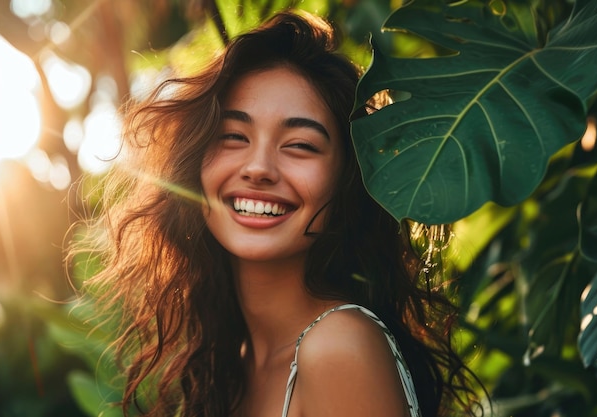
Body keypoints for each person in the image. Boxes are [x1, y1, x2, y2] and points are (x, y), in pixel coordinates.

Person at [71, 10, 482, 417]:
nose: (259, 168)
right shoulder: (234, 359)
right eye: (233, 136)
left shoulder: (337, 346)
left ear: (348, 180)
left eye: (300, 144)